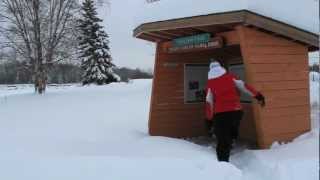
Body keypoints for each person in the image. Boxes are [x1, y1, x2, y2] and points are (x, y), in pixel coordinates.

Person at [205, 60, 265, 162]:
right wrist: (258, 96)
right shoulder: (230, 77)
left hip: (220, 114)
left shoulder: (210, 83)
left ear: (210, 70)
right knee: (232, 128)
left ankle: (223, 163)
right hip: (236, 111)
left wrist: (209, 120)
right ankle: (232, 139)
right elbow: (245, 87)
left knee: (222, 139)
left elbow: (209, 102)